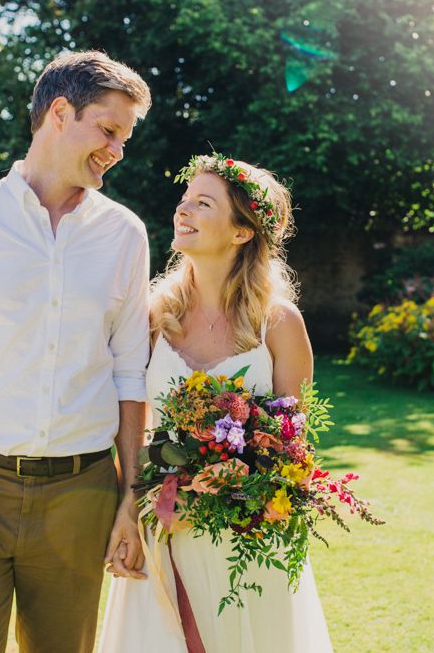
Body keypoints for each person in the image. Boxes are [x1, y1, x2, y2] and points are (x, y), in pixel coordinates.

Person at [0, 50, 152, 652]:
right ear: (58, 111)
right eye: (108, 130)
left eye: (125, 138)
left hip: (82, 494)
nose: (117, 150)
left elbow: (131, 374)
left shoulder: (124, 233)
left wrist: (132, 497)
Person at [99, 153, 333, 652]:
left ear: (242, 232)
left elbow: (294, 445)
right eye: (184, 201)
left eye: (203, 204)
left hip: (248, 540)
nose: (182, 211)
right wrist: (135, 509)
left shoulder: (278, 322)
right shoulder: (149, 317)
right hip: (164, 528)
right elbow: (132, 427)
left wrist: (225, 489)